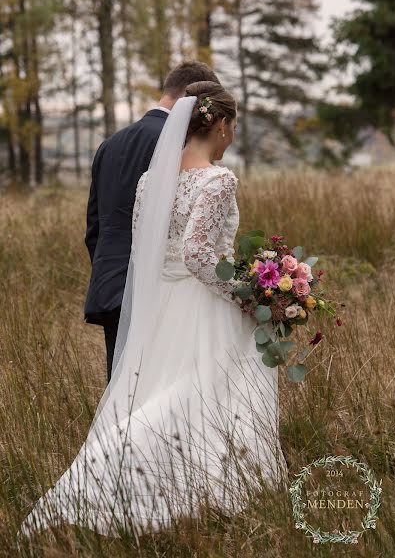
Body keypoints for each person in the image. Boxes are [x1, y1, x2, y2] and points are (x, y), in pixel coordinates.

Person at [19, 81, 287, 540]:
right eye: (234, 126)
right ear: (220, 124)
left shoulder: (151, 181)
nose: (233, 137)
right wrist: (252, 297)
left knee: (161, 388)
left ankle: (138, 475)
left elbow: (145, 250)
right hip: (205, 303)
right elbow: (199, 256)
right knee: (198, 392)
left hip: (160, 304)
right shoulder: (218, 180)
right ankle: (150, 473)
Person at [84, 61, 221, 382]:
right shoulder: (182, 146)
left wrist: (113, 274)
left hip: (110, 289)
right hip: (161, 293)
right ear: (195, 99)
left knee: (122, 394)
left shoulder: (110, 145)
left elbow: (95, 229)